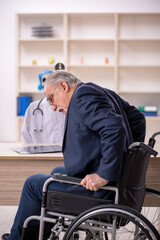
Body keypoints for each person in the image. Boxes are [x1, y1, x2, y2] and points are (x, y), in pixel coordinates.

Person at [2, 71, 146, 240]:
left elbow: (113, 128)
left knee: (32, 184)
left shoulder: (82, 96)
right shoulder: (101, 91)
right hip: (120, 185)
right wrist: (128, 158)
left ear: (64, 86)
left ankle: (17, 238)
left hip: (101, 193)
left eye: (50, 98)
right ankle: (37, 235)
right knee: (55, 173)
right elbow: (138, 119)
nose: (52, 107)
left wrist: (103, 175)